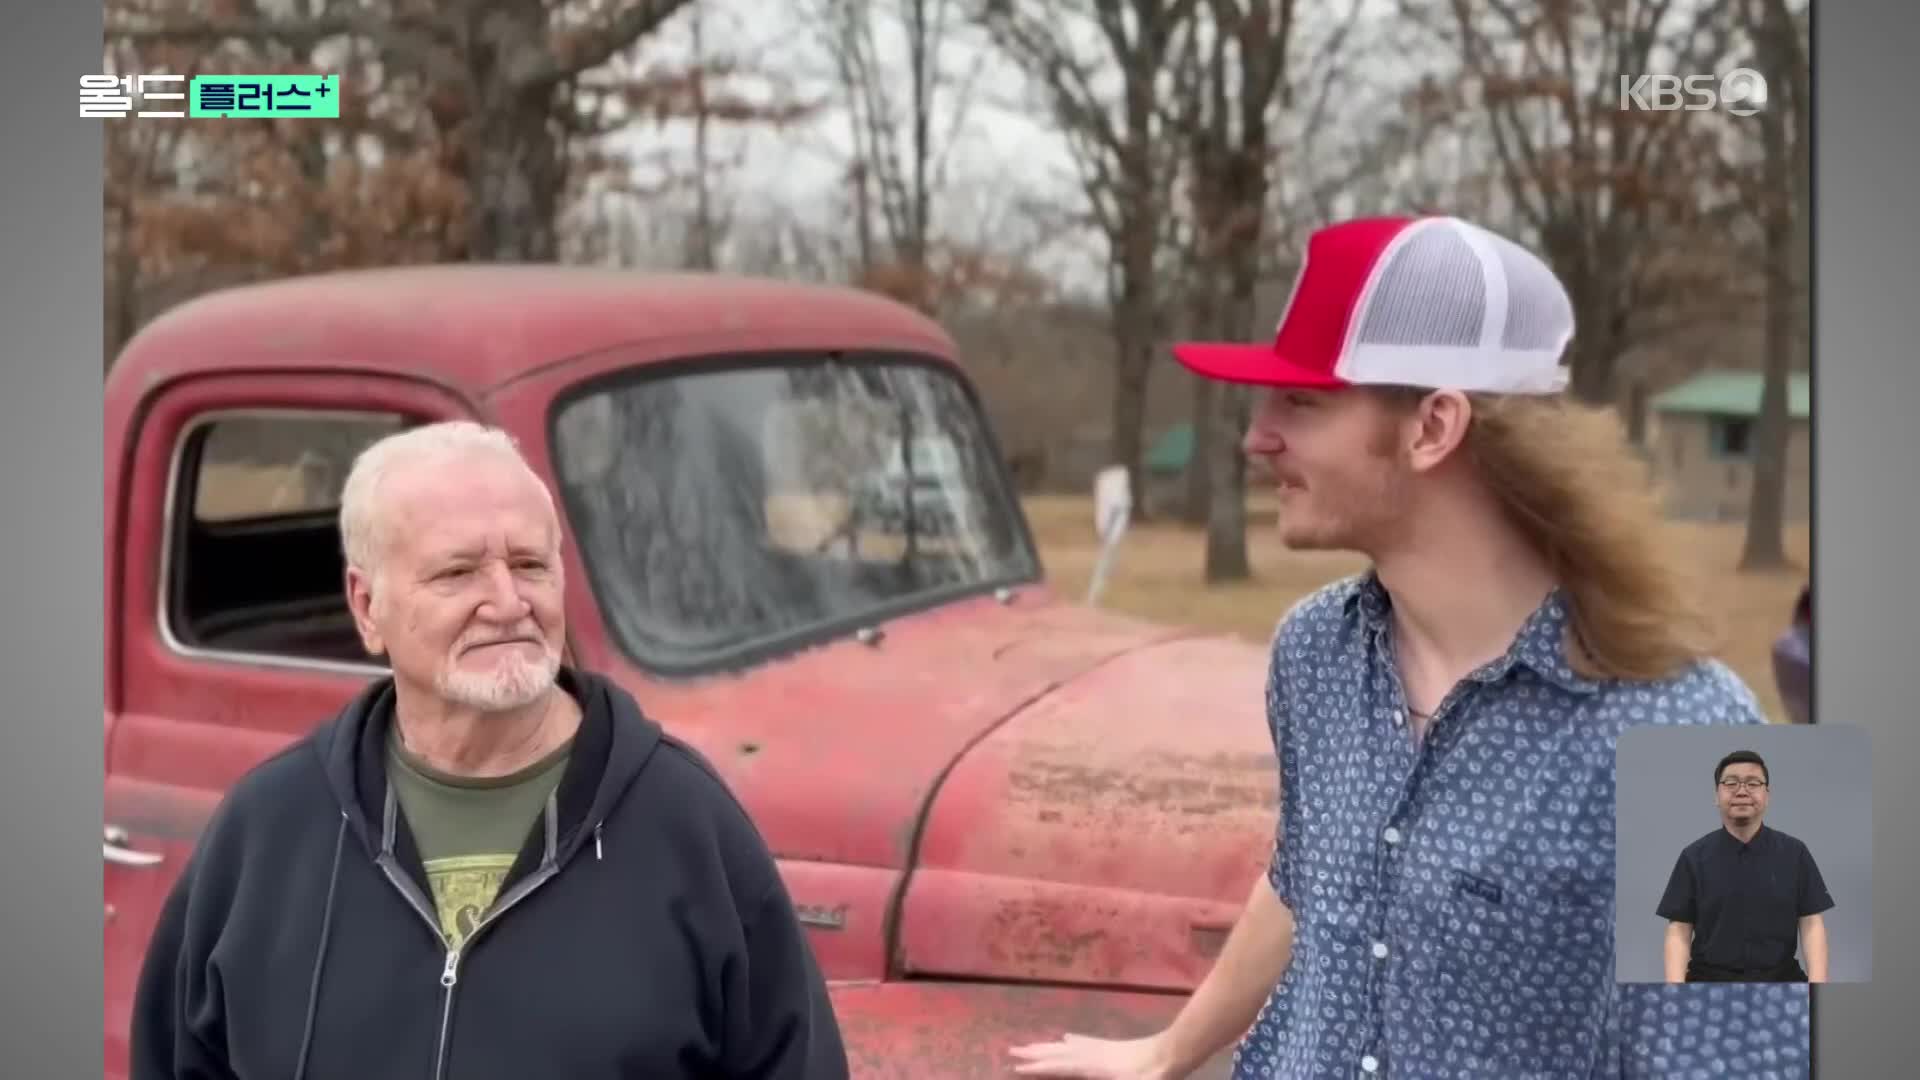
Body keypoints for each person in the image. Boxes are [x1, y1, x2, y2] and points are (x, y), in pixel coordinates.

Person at [1007, 215, 1808, 1078]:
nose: (1256, 437)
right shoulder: (1314, 649)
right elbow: (1303, 877)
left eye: (1302, 403)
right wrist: (1169, 1053)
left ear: (1433, 426)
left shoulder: (1704, 735)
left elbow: (1746, 1058)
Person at [129, 421, 849, 1080]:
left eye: (530, 565)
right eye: (457, 572)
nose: (507, 602)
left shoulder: (687, 826)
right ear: (366, 605)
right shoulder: (266, 833)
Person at [1657, 749, 1834, 983]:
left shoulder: (1795, 853)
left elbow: (1812, 924)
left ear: (1767, 795)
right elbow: (1679, 930)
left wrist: (1817, 988)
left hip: (1781, 981)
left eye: (1753, 783)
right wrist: (1675, 991)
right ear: (1716, 795)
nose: (1742, 791)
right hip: (1708, 981)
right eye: (1731, 783)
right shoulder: (1693, 857)